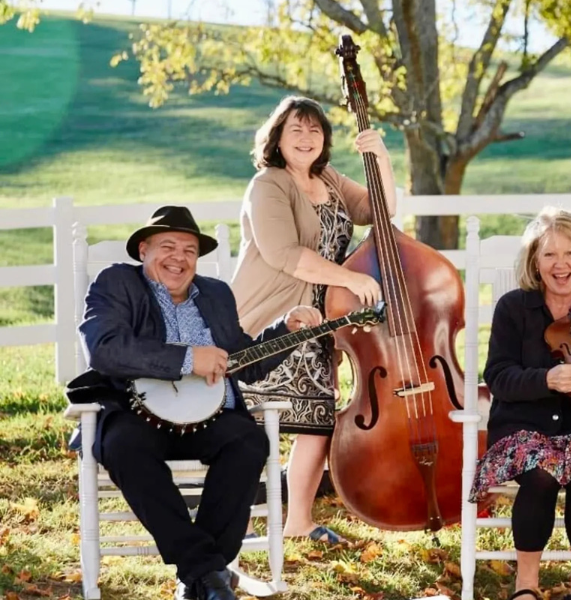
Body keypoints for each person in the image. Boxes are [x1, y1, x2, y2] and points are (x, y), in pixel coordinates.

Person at [67, 206, 322, 600]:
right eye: (167, 246)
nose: (179, 258)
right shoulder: (117, 283)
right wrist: (189, 358)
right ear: (143, 250)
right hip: (134, 413)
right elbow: (105, 350)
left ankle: (200, 579)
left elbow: (242, 364)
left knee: (249, 442)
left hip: (211, 416)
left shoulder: (216, 294)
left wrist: (284, 329)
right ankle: (208, 573)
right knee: (122, 447)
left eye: (189, 250)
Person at [231, 95, 397, 541]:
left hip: (321, 324)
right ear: (277, 138)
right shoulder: (268, 184)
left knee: (316, 420)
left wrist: (380, 157)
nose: (306, 138)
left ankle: (298, 522)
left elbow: (381, 210)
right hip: (268, 317)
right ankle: (236, 521)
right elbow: (284, 254)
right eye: (295, 130)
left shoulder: (329, 179)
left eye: (314, 130)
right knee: (253, 423)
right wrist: (347, 278)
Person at [469, 207, 571, 600]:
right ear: (535, 262)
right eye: (550, 255)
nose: (561, 264)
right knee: (540, 474)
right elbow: (498, 375)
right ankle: (526, 585)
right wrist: (546, 379)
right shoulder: (513, 309)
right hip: (524, 427)